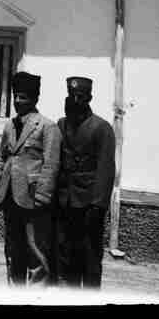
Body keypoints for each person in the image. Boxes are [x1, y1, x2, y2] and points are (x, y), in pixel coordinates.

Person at [0, 71, 61, 285]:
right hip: (10, 197)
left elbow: (51, 164)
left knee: (35, 251)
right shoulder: (9, 125)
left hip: (33, 199)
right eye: (15, 96)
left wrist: (42, 196)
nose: (17, 101)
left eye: (22, 97)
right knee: (13, 250)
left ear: (34, 99)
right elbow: (1, 159)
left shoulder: (47, 127)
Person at [55, 76, 116, 288]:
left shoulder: (102, 128)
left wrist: (98, 205)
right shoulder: (62, 125)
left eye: (80, 96)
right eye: (72, 95)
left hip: (89, 205)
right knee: (67, 257)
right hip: (65, 202)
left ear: (89, 98)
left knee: (90, 257)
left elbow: (106, 169)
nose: (75, 100)